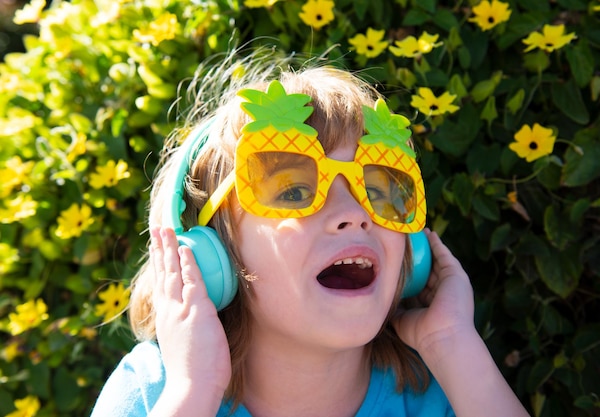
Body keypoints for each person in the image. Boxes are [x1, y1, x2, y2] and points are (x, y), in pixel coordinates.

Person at [90, 51, 530, 417]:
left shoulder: (443, 387)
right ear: (210, 255)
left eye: (379, 190)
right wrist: (195, 389)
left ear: (410, 257)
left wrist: (450, 343)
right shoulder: (154, 392)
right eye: (296, 189)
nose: (355, 215)